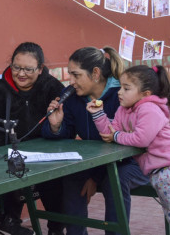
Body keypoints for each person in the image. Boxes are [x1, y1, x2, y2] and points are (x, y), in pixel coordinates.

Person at [42, 46, 150, 235]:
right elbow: (64, 136)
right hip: (97, 161)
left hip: (133, 160)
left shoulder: (123, 95)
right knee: (71, 177)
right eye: (70, 75)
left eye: (76, 75)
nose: (71, 81)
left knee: (114, 179)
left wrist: (95, 176)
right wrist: (55, 126)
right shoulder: (73, 96)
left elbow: (127, 144)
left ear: (96, 73)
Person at [0, 42, 65, 235]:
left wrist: (55, 127)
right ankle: (9, 223)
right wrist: (6, 152)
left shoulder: (52, 87)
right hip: (11, 154)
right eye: (16, 67)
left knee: (55, 183)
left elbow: (66, 125)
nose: (21, 74)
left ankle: (56, 228)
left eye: (28, 69)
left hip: (47, 154)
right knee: (13, 173)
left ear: (40, 68)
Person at [87, 65, 170, 225]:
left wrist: (117, 135)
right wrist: (98, 114)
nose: (119, 92)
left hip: (166, 171)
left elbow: (141, 139)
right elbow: (110, 133)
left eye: (126, 88)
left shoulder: (149, 109)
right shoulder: (124, 110)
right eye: (120, 87)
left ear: (145, 94)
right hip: (157, 173)